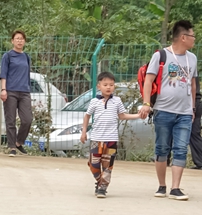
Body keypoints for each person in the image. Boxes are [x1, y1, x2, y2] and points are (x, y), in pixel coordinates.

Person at [138, 20, 198, 200]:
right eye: (193, 36)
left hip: (185, 112)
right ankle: (162, 185)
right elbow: (149, 80)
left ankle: (175, 188)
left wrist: (193, 107)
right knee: (162, 147)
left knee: (180, 148)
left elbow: (193, 84)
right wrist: (147, 103)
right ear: (183, 37)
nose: (194, 39)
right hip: (163, 110)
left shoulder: (192, 58)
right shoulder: (161, 55)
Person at [79, 72, 142, 198]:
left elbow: (122, 115)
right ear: (99, 86)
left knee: (107, 165)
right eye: (105, 84)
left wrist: (138, 115)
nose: (108, 87)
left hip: (111, 139)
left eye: (111, 85)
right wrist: (84, 131)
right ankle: (99, 181)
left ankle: (102, 188)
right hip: (96, 138)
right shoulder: (94, 102)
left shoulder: (117, 101)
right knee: (94, 164)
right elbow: (87, 116)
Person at [0, 30, 33, 156]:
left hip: (24, 91)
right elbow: (3, 74)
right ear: (12, 41)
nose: (19, 41)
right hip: (11, 91)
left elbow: (27, 74)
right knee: (11, 120)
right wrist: (4, 89)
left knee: (27, 119)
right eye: (17, 38)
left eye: (22, 39)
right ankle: (12, 146)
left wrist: (28, 88)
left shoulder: (26, 57)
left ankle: (19, 142)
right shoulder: (7, 56)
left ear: (24, 41)